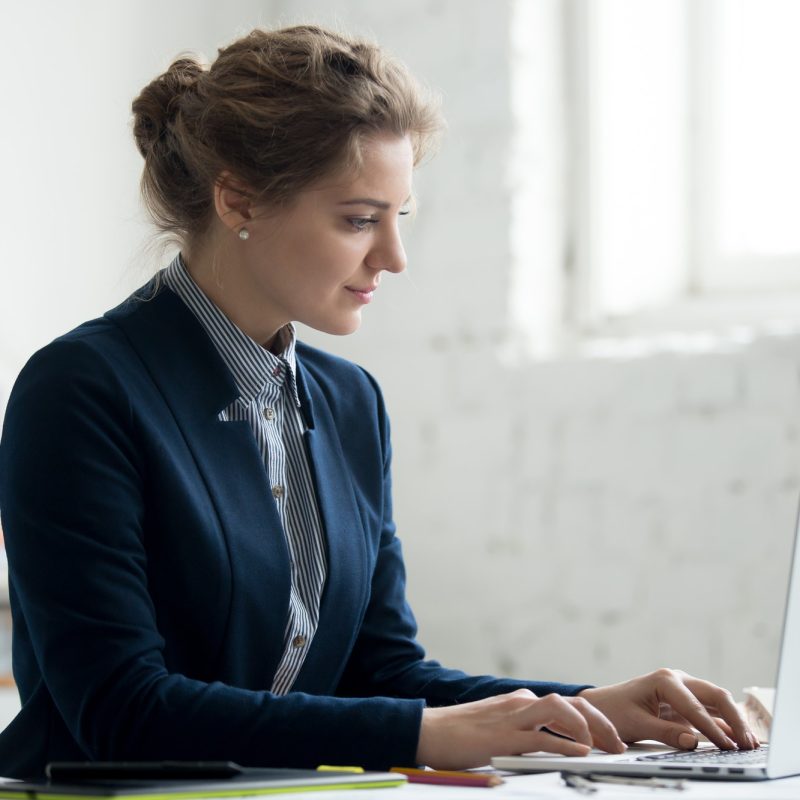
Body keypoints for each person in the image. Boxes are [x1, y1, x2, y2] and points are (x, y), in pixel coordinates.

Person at [0, 25, 756, 779]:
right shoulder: (80, 392)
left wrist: (594, 708)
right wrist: (422, 736)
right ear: (238, 199)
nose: (393, 258)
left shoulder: (350, 402)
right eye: (360, 219)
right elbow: (120, 712)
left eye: (401, 219)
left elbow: (384, 676)